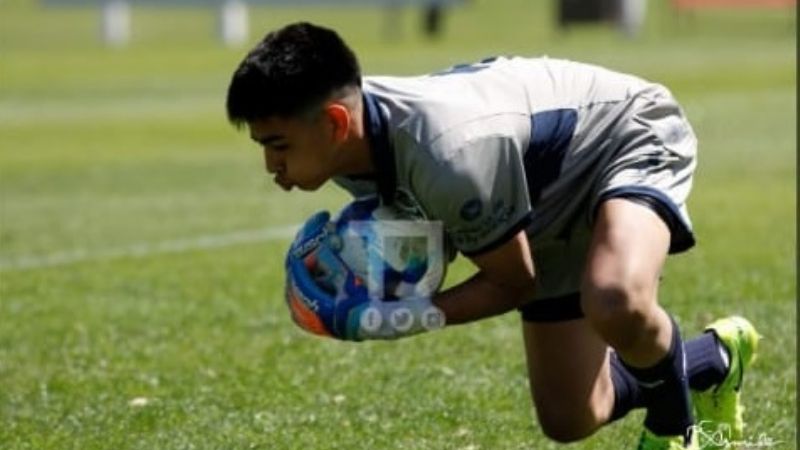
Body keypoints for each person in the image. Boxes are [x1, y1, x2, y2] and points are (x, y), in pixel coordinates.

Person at [225, 22, 760, 449]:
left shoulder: (448, 152)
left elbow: (514, 282)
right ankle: (716, 358)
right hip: (533, 190)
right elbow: (440, 234)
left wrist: (399, 317)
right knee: (571, 416)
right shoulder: (347, 146)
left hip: (621, 138)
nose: (272, 165)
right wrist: (373, 275)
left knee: (616, 299)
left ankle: (675, 433)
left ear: (335, 123)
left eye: (278, 145)